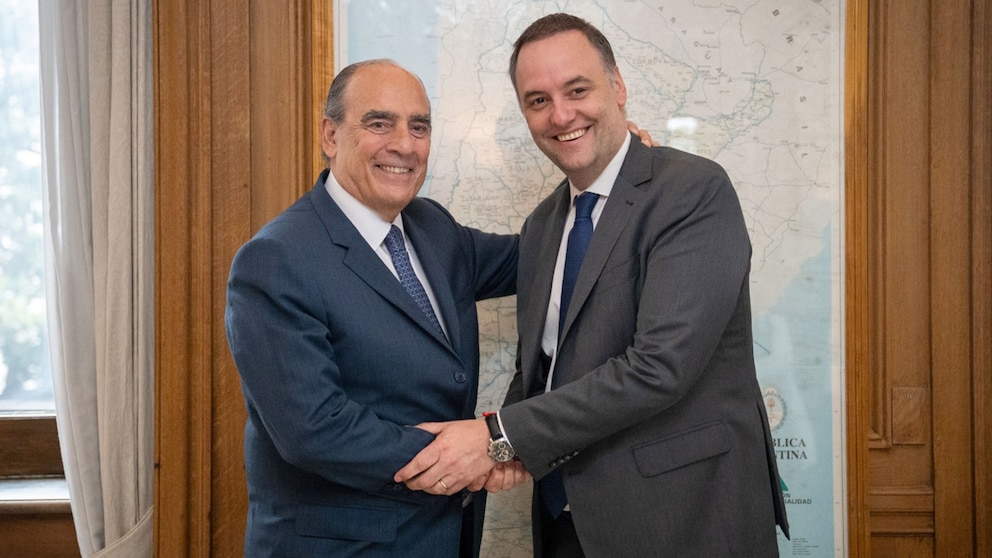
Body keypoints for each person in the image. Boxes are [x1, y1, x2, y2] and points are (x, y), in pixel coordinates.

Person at [394, 13, 790, 557]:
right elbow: (542, 368)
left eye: (577, 90)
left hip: (684, 521)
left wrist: (498, 435)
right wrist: (506, 448)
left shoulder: (691, 191)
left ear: (618, 87)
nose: (561, 115)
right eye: (538, 100)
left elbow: (659, 368)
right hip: (566, 523)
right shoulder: (543, 225)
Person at [224, 59, 518, 558]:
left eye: (419, 127)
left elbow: (535, 257)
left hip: (443, 539)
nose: (404, 144)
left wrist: (610, 178)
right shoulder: (276, 259)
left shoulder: (433, 227)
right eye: (380, 123)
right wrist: (479, 451)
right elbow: (316, 430)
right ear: (331, 134)